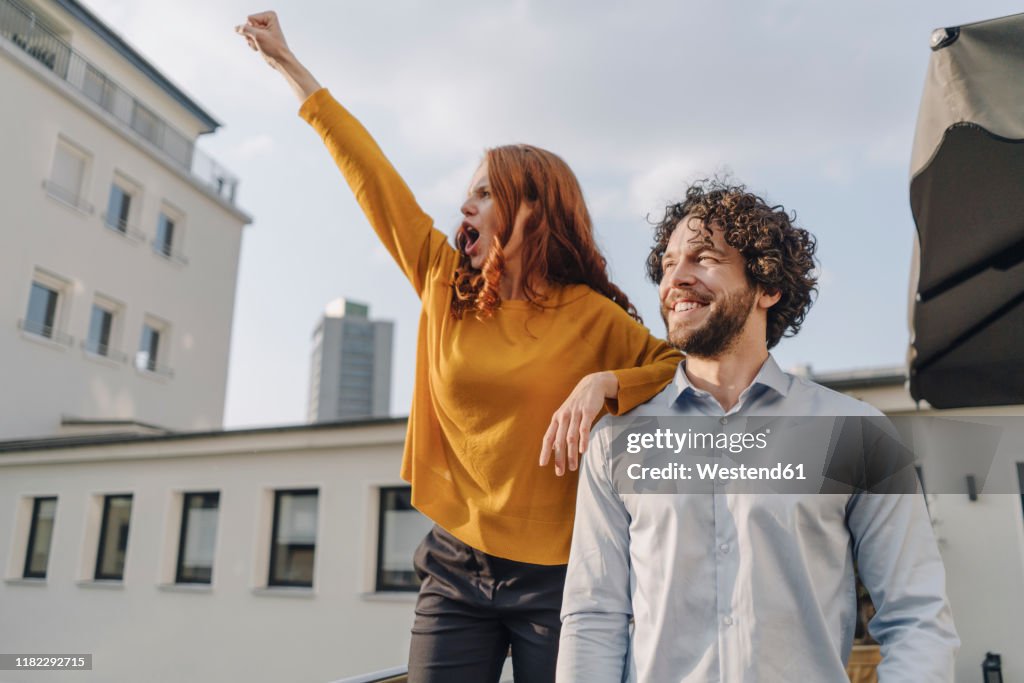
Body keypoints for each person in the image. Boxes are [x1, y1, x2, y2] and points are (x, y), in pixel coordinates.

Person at [236, 11, 681, 682]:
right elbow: (372, 176)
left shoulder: (593, 318)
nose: (464, 206)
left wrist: (604, 384)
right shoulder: (446, 285)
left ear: (531, 209)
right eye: (466, 193)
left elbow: (676, 370)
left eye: (483, 193)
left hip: (559, 581)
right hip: (455, 567)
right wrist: (288, 64)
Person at [557, 180, 959, 682]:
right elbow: (593, 617)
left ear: (768, 287)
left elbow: (917, 617)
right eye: (666, 265)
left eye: (702, 258)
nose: (675, 279)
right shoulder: (614, 445)